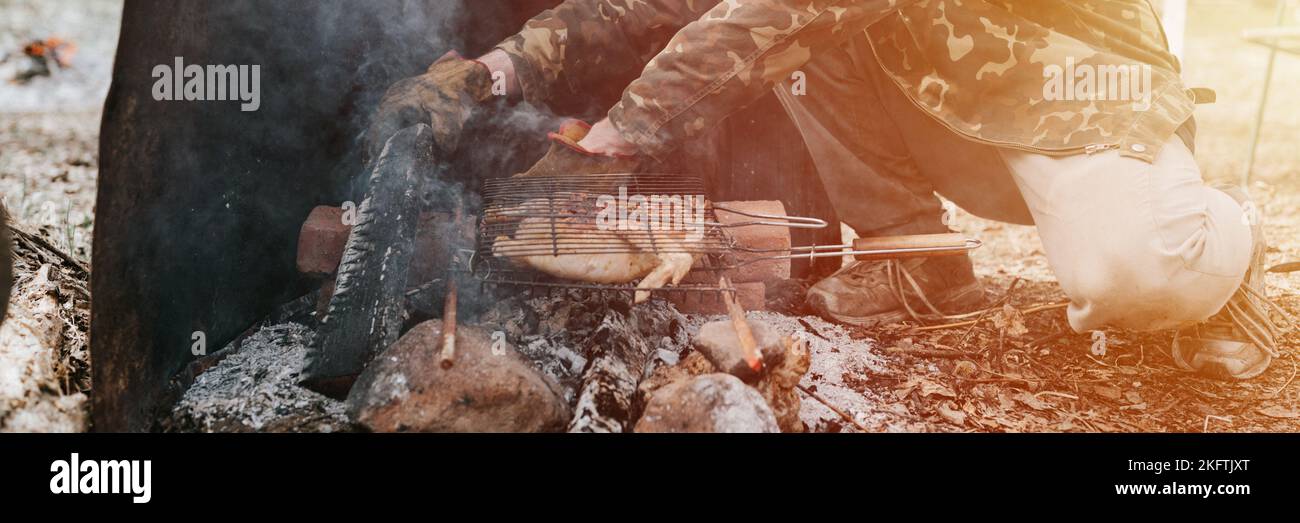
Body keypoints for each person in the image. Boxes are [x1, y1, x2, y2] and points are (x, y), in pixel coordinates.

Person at [366, 0, 1294, 380]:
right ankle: (916, 263)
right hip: (944, 112)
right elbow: (665, 5)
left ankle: (1219, 236)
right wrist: (496, 72)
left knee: (1137, 273)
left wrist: (612, 144)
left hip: (1073, 104)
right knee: (798, 49)